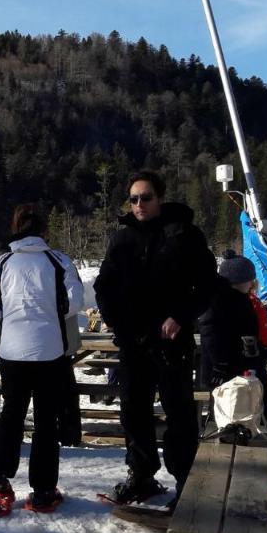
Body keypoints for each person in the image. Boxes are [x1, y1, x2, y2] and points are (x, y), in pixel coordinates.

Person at [93, 170, 217, 505]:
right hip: (134, 342)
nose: (139, 204)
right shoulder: (122, 239)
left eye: (145, 197)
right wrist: (117, 323)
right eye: (133, 199)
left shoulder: (185, 235)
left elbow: (207, 284)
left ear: (159, 198)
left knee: (178, 414)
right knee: (134, 411)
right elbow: (103, 286)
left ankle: (186, 483)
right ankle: (141, 475)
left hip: (171, 342)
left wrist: (181, 316)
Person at [0, 205, 84, 516]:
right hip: (49, 350)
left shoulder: (2, 263)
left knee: (10, 414)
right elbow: (73, 303)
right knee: (46, 420)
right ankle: (43, 489)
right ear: (44, 231)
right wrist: (47, 314)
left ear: (15, 229)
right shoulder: (58, 261)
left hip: (12, 351)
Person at [199, 250, 267, 449]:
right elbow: (210, 335)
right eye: (250, 281)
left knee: (260, 399)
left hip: (242, 362)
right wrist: (219, 365)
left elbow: (247, 333)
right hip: (226, 369)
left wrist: (263, 351)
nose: (252, 285)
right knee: (231, 405)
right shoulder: (219, 301)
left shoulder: (241, 299)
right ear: (238, 281)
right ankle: (233, 441)